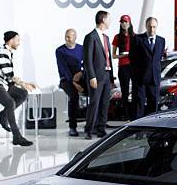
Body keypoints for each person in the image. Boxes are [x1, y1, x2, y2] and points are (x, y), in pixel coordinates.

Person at [0, 31, 36, 146]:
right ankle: (17, 136)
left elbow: (8, 77)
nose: (19, 43)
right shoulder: (2, 51)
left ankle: (2, 116)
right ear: (11, 41)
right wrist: (23, 83)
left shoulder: (8, 52)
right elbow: (8, 73)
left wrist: (24, 84)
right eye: (18, 40)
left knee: (22, 94)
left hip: (1, 82)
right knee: (10, 102)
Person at [83, 10, 113, 140]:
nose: (110, 21)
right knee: (94, 102)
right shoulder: (90, 37)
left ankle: (101, 128)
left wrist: (111, 76)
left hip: (106, 75)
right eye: (109, 19)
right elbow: (88, 59)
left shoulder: (106, 38)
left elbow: (108, 57)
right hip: (96, 76)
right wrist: (91, 76)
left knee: (105, 103)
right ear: (103, 20)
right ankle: (89, 129)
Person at [130, 17, 166, 119]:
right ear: (146, 26)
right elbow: (132, 59)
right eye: (150, 27)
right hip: (140, 79)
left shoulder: (161, 40)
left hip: (154, 78)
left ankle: (151, 129)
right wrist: (135, 76)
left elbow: (158, 59)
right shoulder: (137, 39)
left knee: (153, 104)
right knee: (139, 104)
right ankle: (137, 130)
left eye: (154, 27)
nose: (152, 29)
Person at [55, 29, 85, 137]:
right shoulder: (60, 51)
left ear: (75, 37)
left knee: (95, 91)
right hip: (66, 80)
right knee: (74, 96)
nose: (67, 38)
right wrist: (74, 82)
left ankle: (93, 124)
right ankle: (73, 127)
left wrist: (81, 73)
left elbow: (85, 64)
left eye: (69, 36)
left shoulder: (81, 49)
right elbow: (64, 68)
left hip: (80, 77)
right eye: (66, 36)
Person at [112, 14, 135, 121]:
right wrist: (124, 55)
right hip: (123, 66)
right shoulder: (117, 37)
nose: (124, 24)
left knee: (136, 90)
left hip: (134, 66)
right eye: (122, 22)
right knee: (125, 91)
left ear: (129, 23)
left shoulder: (134, 36)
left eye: (126, 22)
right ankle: (126, 115)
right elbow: (113, 55)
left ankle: (134, 113)